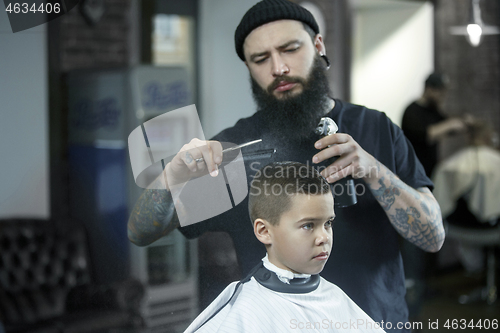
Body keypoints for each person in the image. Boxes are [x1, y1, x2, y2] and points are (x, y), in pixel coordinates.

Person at [128, 1, 445, 331]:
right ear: (249, 69)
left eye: (290, 49)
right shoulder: (234, 151)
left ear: (317, 46)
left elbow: (433, 236)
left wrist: (374, 170)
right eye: (260, 59)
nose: (278, 67)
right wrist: (171, 176)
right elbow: (141, 232)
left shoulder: (376, 129)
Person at [185, 161, 385, 333]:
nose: (324, 237)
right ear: (264, 231)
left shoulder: (336, 299)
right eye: (308, 225)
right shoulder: (244, 311)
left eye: (328, 223)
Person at [401, 73, 468, 177]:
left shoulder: (433, 111)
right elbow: (426, 134)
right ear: (429, 89)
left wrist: (465, 122)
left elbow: (447, 124)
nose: (442, 97)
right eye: (440, 93)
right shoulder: (412, 111)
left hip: (431, 171)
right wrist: (450, 124)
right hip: (413, 171)